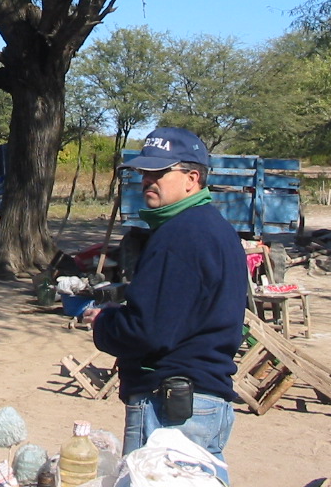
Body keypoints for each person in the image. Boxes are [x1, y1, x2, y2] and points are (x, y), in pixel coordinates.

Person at [83, 127, 246, 483]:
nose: (147, 181)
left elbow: (148, 330)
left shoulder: (181, 233)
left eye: (158, 173)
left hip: (170, 409)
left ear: (192, 178)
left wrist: (105, 323)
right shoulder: (213, 228)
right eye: (144, 173)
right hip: (200, 404)